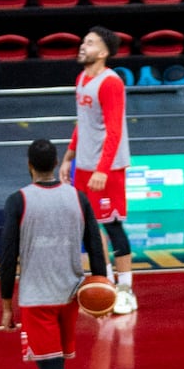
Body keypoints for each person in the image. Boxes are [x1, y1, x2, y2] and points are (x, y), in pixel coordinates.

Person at [0, 138, 109, 369]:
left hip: (38, 301)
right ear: (57, 161)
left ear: (29, 165)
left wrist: (6, 305)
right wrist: (101, 289)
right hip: (69, 297)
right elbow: (95, 245)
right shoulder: (78, 197)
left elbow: (7, 257)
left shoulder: (19, 200)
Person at [65, 26, 134, 315]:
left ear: (103, 53)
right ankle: (102, 283)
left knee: (112, 226)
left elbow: (114, 130)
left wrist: (102, 169)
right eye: (83, 40)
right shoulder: (82, 78)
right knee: (88, 229)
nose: (83, 45)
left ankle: (127, 290)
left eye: (90, 43)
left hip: (108, 169)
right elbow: (83, 122)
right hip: (84, 166)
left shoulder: (111, 83)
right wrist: (69, 155)